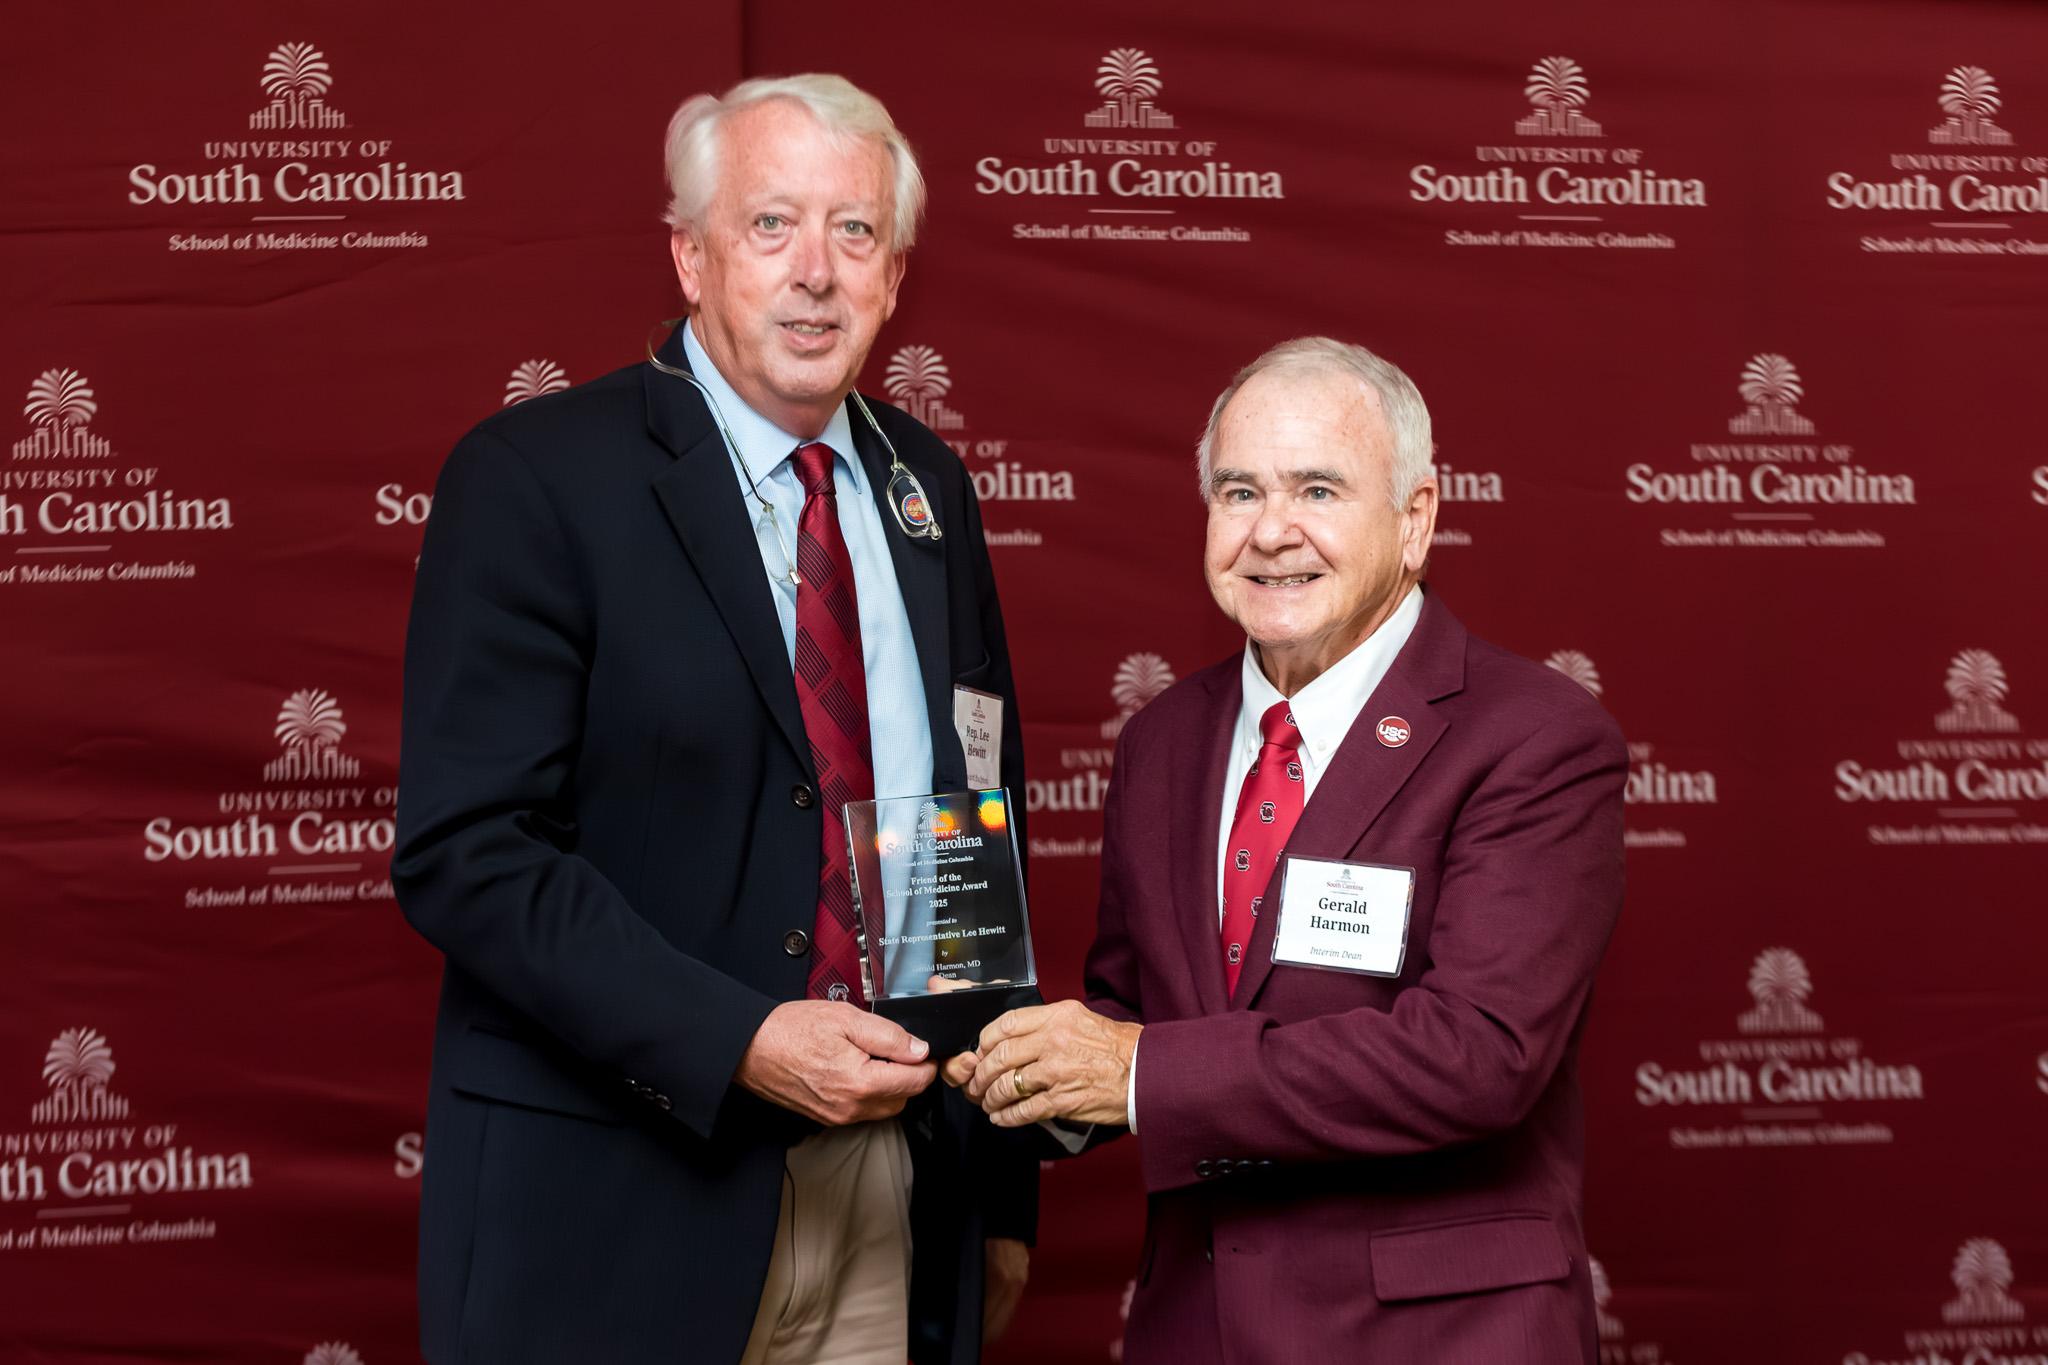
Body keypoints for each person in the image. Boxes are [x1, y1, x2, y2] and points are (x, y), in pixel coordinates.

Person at [395, 74, 1035, 1365]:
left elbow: (970, 826)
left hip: (889, 1187)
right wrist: (737, 1038)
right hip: (620, 1199)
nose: (815, 273)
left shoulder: (930, 490)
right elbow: (468, 852)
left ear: (894, 275)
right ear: (690, 254)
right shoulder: (535, 481)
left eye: (853, 233)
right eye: (770, 226)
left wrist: (999, 1187)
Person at [947, 337, 1626, 1362]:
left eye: (1316, 488)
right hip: (1197, 1326)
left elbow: (1477, 1055)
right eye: (1237, 492)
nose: (1270, 533)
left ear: (1414, 521)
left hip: (1438, 1336)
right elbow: (1132, 1010)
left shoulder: (1532, 737)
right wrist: (989, 1060)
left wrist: (1137, 1071)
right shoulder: (1162, 739)